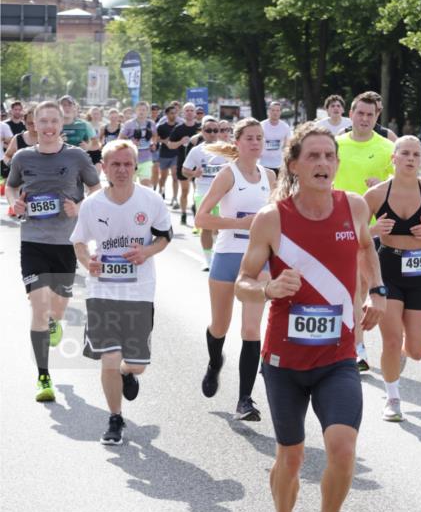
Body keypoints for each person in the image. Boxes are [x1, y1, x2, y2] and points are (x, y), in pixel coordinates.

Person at [235, 123, 386, 512]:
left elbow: (366, 250)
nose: (323, 164)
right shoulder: (272, 218)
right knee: (292, 456)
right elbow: (242, 283)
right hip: (284, 360)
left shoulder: (354, 207)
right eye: (314, 156)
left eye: (330, 156)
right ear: (295, 165)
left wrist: (376, 292)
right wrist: (267, 287)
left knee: (342, 450)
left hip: (337, 355)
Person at [71, 140, 173, 445]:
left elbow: (165, 236)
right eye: (115, 164)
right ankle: (115, 418)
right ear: (104, 168)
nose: (122, 170)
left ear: (135, 166)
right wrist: (87, 262)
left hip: (139, 291)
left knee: (136, 363)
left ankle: (129, 374)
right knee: (110, 358)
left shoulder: (150, 200)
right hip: (102, 291)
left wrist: (147, 252)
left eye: (128, 164)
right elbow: (78, 241)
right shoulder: (92, 204)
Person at [6, 101, 100, 402]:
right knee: (38, 305)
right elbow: (11, 187)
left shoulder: (76, 156)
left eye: (53, 122)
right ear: (33, 124)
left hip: (67, 242)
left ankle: (55, 321)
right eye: (42, 121)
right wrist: (16, 203)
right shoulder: (22, 157)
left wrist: (79, 207)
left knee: (57, 307)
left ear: (62, 124)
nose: (47, 127)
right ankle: (43, 376)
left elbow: (97, 190)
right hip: (33, 240)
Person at [364, 136, 421, 421]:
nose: (411, 158)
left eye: (416, 154)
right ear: (394, 158)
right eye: (404, 153)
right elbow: (352, 234)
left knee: (417, 349)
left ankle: (403, 355)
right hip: (387, 267)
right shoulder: (377, 194)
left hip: (420, 272)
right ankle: (393, 398)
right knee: (391, 339)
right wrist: (375, 229)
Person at [195, 118, 275, 420]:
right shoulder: (228, 176)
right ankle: (215, 363)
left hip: (259, 259)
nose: (255, 142)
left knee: (252, 329)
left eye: (259, 138)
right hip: (228, 254)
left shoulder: (270, 176)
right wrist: (238, 223)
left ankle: (245, 401)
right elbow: (201, 218)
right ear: (237, 142)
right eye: (249, 138)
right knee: (220, 325)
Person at [335, 92, 394, 370]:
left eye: (370, 115)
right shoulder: (335, 144)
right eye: (360, 113)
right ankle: (347, 342)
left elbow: (398, 187)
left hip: (367, 230)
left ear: (377, 117)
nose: (365, 119)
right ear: (351, 114)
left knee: (357, 290)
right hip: (333, 225)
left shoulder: (386, 147)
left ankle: (356, 347)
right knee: (342, 290)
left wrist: (382, 182)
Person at [182, 117, 231, 269]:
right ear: (202, 132)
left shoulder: (227, 149)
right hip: (203, 192)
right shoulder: (196, 151)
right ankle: (208, 259)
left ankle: (220, 254)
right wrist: (194, 173)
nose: (212, 133)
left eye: (216, 130)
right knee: (207, 228)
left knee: (223, 228)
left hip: (224, 193)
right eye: (208, 130)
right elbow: (184, 171)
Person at [166, 102, 200, 224]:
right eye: (187, 110)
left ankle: (196, 212)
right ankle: (184, 214)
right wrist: (180, 142)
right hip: (183, 163)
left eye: (191, 110)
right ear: (183, 113)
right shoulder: (178, 129)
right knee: (185, 190)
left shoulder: (200, 128)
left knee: (198, 191)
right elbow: (170, 145)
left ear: (195, 113)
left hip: (199, 164)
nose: (189, 112)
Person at [120, 101, 158, 187]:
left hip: (146, 158)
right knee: (130, 185)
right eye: (139, 110)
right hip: (131, 159)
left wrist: (153, 143)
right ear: (135, 111)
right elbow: (120, 139)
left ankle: (144, 200)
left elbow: (155, 136)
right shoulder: (129, 124)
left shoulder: (151, 123)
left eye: (144, 110)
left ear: (147, 111)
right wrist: (130, 142)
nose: (141, 112)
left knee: (146, 184)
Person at [156, 103, 182, 203]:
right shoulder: (161, 127)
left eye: (175, 113)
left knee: (175, 176)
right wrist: (164, 141)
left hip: (176, 154)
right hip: (164, 154)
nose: (174, 115)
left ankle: (175, 198)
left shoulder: (179, 127)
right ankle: (161, 192)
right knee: (163, 177)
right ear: (166, 115)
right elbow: (156, 139)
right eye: (171, 113)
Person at [260, 102, 291, 172]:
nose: (275, 113)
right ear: (268, 111)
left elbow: (287, 146)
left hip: (279, 164)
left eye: (277, 110)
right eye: (273, 110)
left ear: (280, 112)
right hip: (263, 163)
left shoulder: (285, 127)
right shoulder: (261, 126)